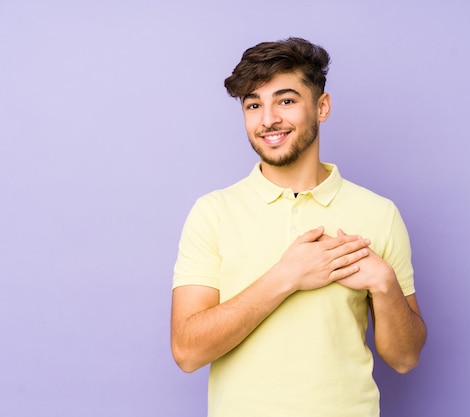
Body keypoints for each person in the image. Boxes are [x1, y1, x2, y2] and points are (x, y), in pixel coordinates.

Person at [170, 37, 427, 417]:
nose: (268, 119)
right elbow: (188, 352)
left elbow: (405, 359)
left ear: (321, 107)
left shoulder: (378, 213)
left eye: (286, 101)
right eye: (253, 105)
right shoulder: (213, 212)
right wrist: (287, 276)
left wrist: (385, 284)